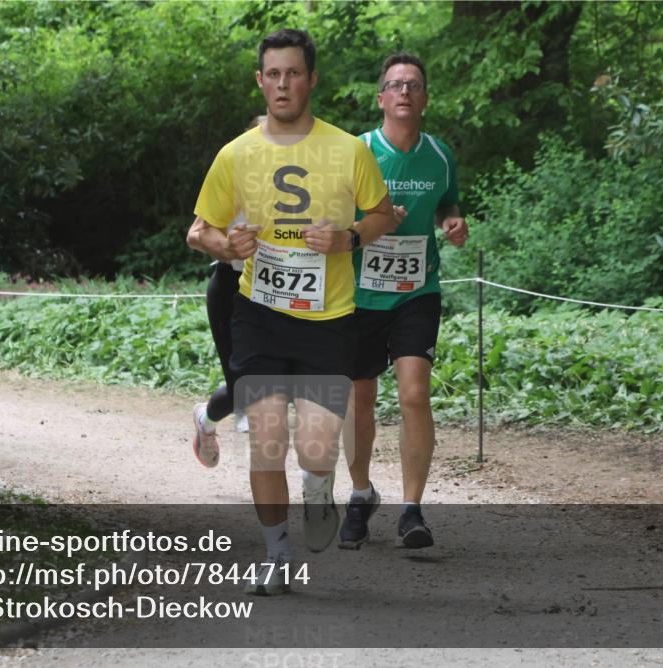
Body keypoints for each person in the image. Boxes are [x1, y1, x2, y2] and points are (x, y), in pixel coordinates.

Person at [189, 29, 396, 595]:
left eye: (294, 73)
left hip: (329, 322)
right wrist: (225, 246)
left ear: (312, 79)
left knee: (316, 451)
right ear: (261, 81)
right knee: (267, 439)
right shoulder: (236, 153)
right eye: (274, 74)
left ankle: (319, 485)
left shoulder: (349, 150)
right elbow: (199, 230)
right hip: (258, 315)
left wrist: (350, 238)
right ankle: (276, 553)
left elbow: (382, 215)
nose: (283, 84)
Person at [339, 54, 468, 550]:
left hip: (417, 290)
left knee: (414, 394)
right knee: (360, 399)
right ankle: (360, 494)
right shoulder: (358, 152)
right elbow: (333, 221)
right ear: (381, 98)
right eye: (395, 85)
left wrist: (451, 221)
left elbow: (447, 202)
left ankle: (412, 510)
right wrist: (370, 224)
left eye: (413, 85)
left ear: (425, 98)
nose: (405, 92)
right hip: (360, 293)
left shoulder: (440, 155)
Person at [187, 115, 267, 468]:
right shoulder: (231, 183)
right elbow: (194, 234)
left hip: (276, 291)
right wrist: (227, 247)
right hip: (231, 289)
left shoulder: (298, 186)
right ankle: (206, 420)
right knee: (243, 391)